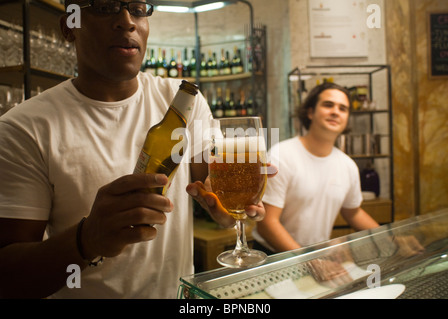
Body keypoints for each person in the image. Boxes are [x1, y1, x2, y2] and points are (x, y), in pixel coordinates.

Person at [0, 0, 266, 298]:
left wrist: (229, 209)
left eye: (138, 8)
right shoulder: (23, 128)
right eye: (104, 8)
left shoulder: (182, 100)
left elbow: (210, 185)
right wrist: (86, 240)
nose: (127, 22)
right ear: (70, 26)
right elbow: (8, 278)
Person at [253, 82, 379, 254]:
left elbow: (354, 213)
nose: (335, 112)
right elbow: (267, 224)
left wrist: (389, 237)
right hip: (274, 256)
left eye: (343, 109)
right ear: (310, 112)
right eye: (328, 105)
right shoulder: (281, 155)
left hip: (316, 257)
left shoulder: (347, 165)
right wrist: (309, 262)